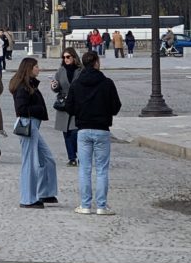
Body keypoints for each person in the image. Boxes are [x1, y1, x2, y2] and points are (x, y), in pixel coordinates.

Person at [65, 51, 122, 216]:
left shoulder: (77, 84)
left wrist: (80, 112)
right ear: (96, 63)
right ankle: (101, 206)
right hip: (102, 129)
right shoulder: (107, 83)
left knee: (84, 169)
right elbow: (116, 106)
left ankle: (85, 205)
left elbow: (69, 107)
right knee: (102, 169)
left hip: (83, 129)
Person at [10, 57, 58, 210]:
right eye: (36, 66)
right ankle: (28, 198)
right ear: (29, 69)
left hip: (33, 125)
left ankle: (45, 192)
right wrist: (39, 110)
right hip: (28, 124)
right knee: (30, 162)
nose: (39, 69)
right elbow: (21, 109)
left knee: (47, 158)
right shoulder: (22, 87)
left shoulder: (29, 84)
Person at [50, 46, 81, 165]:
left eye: (68, 57)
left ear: (74, 57)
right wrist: (54, 86)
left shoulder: (80, 70)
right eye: (64, 57)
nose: (66, 59)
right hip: (63, 104)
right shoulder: (60, 71)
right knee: (66, 132)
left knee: (75, 131)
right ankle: (72, 158)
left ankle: (79, 153)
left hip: (77, 103)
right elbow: (57, 88)